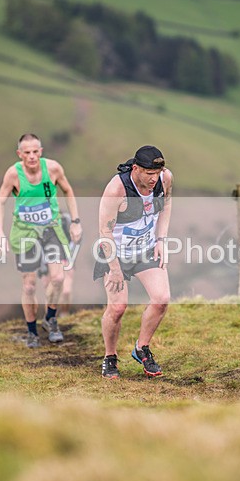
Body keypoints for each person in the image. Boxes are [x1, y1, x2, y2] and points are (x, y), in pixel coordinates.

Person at [0, 133, 82, 348]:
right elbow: (0, 202)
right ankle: (32, 331)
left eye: (35, 152)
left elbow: (68, 190)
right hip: (24, 232)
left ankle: (50, 319)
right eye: (27, 153)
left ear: (41, 152)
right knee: (30, 285)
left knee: (58, 278)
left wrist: (75, 221)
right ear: (19, 154)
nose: (32, 156)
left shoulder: (52, 168)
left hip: (51, 229)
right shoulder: (13, 174)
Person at [94, 145, 173, 379]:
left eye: (157, 173)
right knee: (117, 308)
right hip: (114, 253)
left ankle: (142, 348)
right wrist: (115, 269)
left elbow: (166, 205)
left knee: (161, 299)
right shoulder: (117, 189)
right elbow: (104, 233)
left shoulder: (165, 179)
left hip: (145, 249)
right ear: (136, 169)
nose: (154, 179)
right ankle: (110, 357)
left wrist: (161, 240)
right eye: (149, 174)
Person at [38, 212, 78, 316]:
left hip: (66, 258)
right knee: (49, 289)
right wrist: (43, 267)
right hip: (46, 261)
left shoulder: (68, 225)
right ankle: (50, 318)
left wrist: (69, 260)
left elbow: (74, 243)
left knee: (66, 291)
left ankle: (64, 314)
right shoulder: (43, 229)